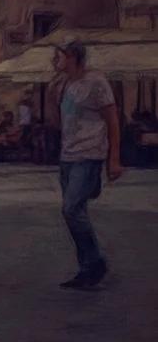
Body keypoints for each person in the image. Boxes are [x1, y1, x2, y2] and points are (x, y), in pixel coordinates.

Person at [52, 41, 122, 290]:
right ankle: (88, 268)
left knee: (71, 209)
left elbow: (112, 120)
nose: (54, 60)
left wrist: (114, 158)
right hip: (68, 156)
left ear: (72, 57)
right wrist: (55, 94)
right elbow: (59, 122)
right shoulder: (66, 83)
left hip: (89, 153)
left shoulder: (97, 82)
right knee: (75, 208)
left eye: (58, 56)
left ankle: (94, 264)